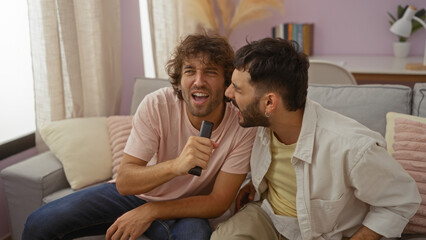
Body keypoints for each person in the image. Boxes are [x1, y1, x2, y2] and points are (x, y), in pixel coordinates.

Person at [22, 34, 257, 240]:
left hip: (185, 208)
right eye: (190, 71)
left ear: (226, 81)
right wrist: (176, 166)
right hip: (137, 195)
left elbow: (218, 202)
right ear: (179, 80)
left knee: (195, 235)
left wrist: (151, 211)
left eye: (210, 72)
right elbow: (125, 181)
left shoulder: (242, 124)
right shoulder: (158, 104)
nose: (198, 80)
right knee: (38, 223)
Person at [211, 38, 421, 240]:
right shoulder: (261, 124)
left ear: (269, 103)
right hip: (271, 216)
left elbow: (401, 199)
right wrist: (256, 184)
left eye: (237, 89)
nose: (228, 93)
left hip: (320, 233)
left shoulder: (352, 147)